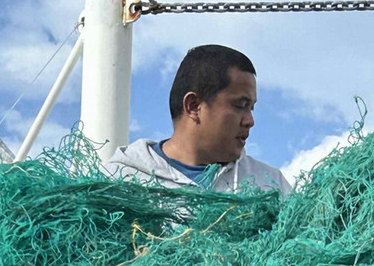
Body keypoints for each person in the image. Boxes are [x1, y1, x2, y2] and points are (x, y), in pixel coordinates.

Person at [105, 44, 292, 194]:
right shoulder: (116, 182)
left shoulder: (271, 186)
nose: (250, 121)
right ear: (193, 106)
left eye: (251, 108)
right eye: (240, 106)